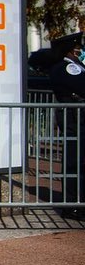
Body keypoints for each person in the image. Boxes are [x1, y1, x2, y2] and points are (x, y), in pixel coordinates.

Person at [45, 31, 85, 220]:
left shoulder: (75, 66)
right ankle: (73, 205)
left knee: (80, 162)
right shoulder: (65, 67)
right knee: (74, 162)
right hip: (73, 120)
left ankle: (79, 202)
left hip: (78, 119)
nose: (79, 51)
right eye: (76, 48)